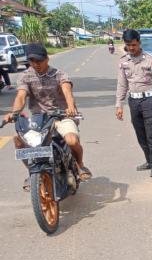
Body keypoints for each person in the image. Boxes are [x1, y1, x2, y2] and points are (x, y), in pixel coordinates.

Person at [4, 43, 91, 188]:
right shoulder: (25, 76)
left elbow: (67, 91)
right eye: (32, 61)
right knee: (19, 142)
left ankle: (80, 164)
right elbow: (21, 96)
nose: (36, 64)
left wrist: (70, 108)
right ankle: (33, 173)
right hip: (39, 120)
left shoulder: (59, 74)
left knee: (71, 141)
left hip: (62, 116)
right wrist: (14, 113)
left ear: (47, 59)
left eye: (39, 61)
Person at [114, 28, 152, 178]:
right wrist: (119, 105)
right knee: (140, 134)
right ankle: (148, 160)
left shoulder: (151, 60)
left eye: (133, 45)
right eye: (128, 45)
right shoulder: (124, 61)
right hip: (134, 101)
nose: (131, 48)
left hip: (149, 100)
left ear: (139, 42)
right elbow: (122, 84)